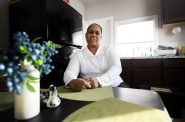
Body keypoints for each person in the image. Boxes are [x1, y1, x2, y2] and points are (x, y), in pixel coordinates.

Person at [63, 23, 125, 92]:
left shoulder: (109, 50)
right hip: (89, 90)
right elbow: (70, 71)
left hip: (115, 86)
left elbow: (116, 67)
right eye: (91, 32)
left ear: (101, 37)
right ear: (86, 36)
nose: (94, 35)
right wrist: (72, 82)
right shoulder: (78, 54)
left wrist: (98, 81)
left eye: (97, 33)